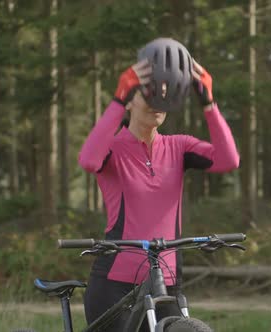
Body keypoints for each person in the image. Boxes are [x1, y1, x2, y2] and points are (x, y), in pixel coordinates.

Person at [78, 38, 239, 331]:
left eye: (164, 93)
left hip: (166, 283)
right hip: (114, 285)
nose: (158, 100)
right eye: (149, 92)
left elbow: (229, 161)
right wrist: (117, 100)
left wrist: (209, 103)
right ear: (130, 99)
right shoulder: (111, 148)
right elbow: (89, 161)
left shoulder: (180, 147)